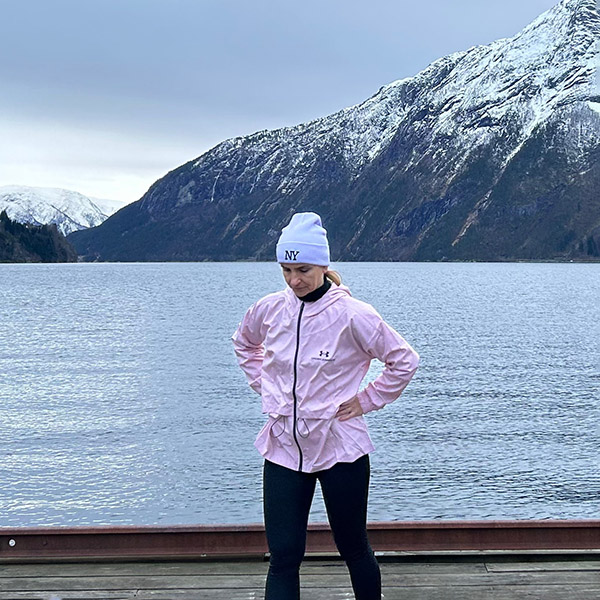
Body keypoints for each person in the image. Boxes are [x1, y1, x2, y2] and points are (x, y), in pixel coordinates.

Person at [232, 212, 420, 600]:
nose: (294, 280)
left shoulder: (353, 315)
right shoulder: (270, 309)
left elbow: (404, 360)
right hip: (283, 447)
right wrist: (266, 388)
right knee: (283, 557)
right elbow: (244, 343)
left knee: (353, 548)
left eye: (303, 270)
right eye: (286, 270)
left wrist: (367, 399)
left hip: (340, 449)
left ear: (322, 265)